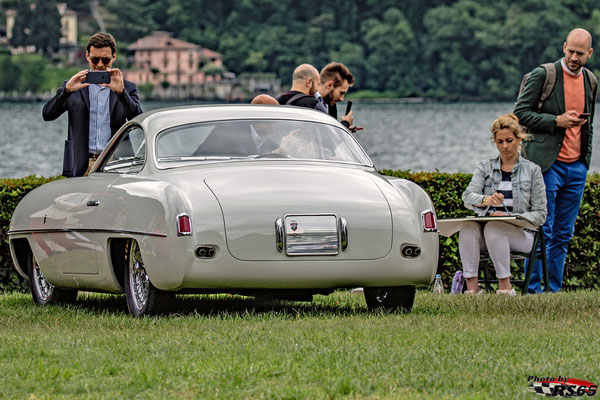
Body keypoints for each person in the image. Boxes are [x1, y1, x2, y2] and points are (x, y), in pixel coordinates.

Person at [514, 28, 597, 293]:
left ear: (589, 54)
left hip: (576, 168)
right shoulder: (544, 75)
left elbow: (589, 125)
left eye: (580, 53)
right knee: (542, 230)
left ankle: (554, 290)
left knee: (563, 233)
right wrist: (555, 121)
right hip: (546, 165)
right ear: (563, 47)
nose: (574, 57)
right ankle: (534, 290)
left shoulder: (591, 81)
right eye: (570, 51)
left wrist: (585, 160)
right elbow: (520, 114)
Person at [459, 114, 547, 295]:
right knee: (468, 227)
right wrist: (486, 200)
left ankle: (505, 288)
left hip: (522, 235)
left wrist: (512, 217)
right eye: (500, 142)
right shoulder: (485, 167)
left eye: (509, 140)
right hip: (491, 232)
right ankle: (472, 290)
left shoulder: (533, 170)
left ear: (519, 139)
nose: (505, 146)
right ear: (494, 142)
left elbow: (540, 214)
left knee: (494, 226)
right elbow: (467, 196)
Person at [42, 32, 143, 177]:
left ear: (114, 56)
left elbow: (138, 120)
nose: (100, 64)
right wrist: (66, 91)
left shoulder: (127, 88)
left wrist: (122, 94)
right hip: (80, 163)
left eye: (105, 60)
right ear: (87, 56)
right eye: (95, 59)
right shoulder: (73, 86)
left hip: (115, 162)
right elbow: (47, 114)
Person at [315, 62, 362, 132]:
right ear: (330, 85)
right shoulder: (307, 103)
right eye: (341, 93)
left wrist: (345, 130)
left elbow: (329, 137)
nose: (341, 99)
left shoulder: (331, 105)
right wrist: (345, 125)